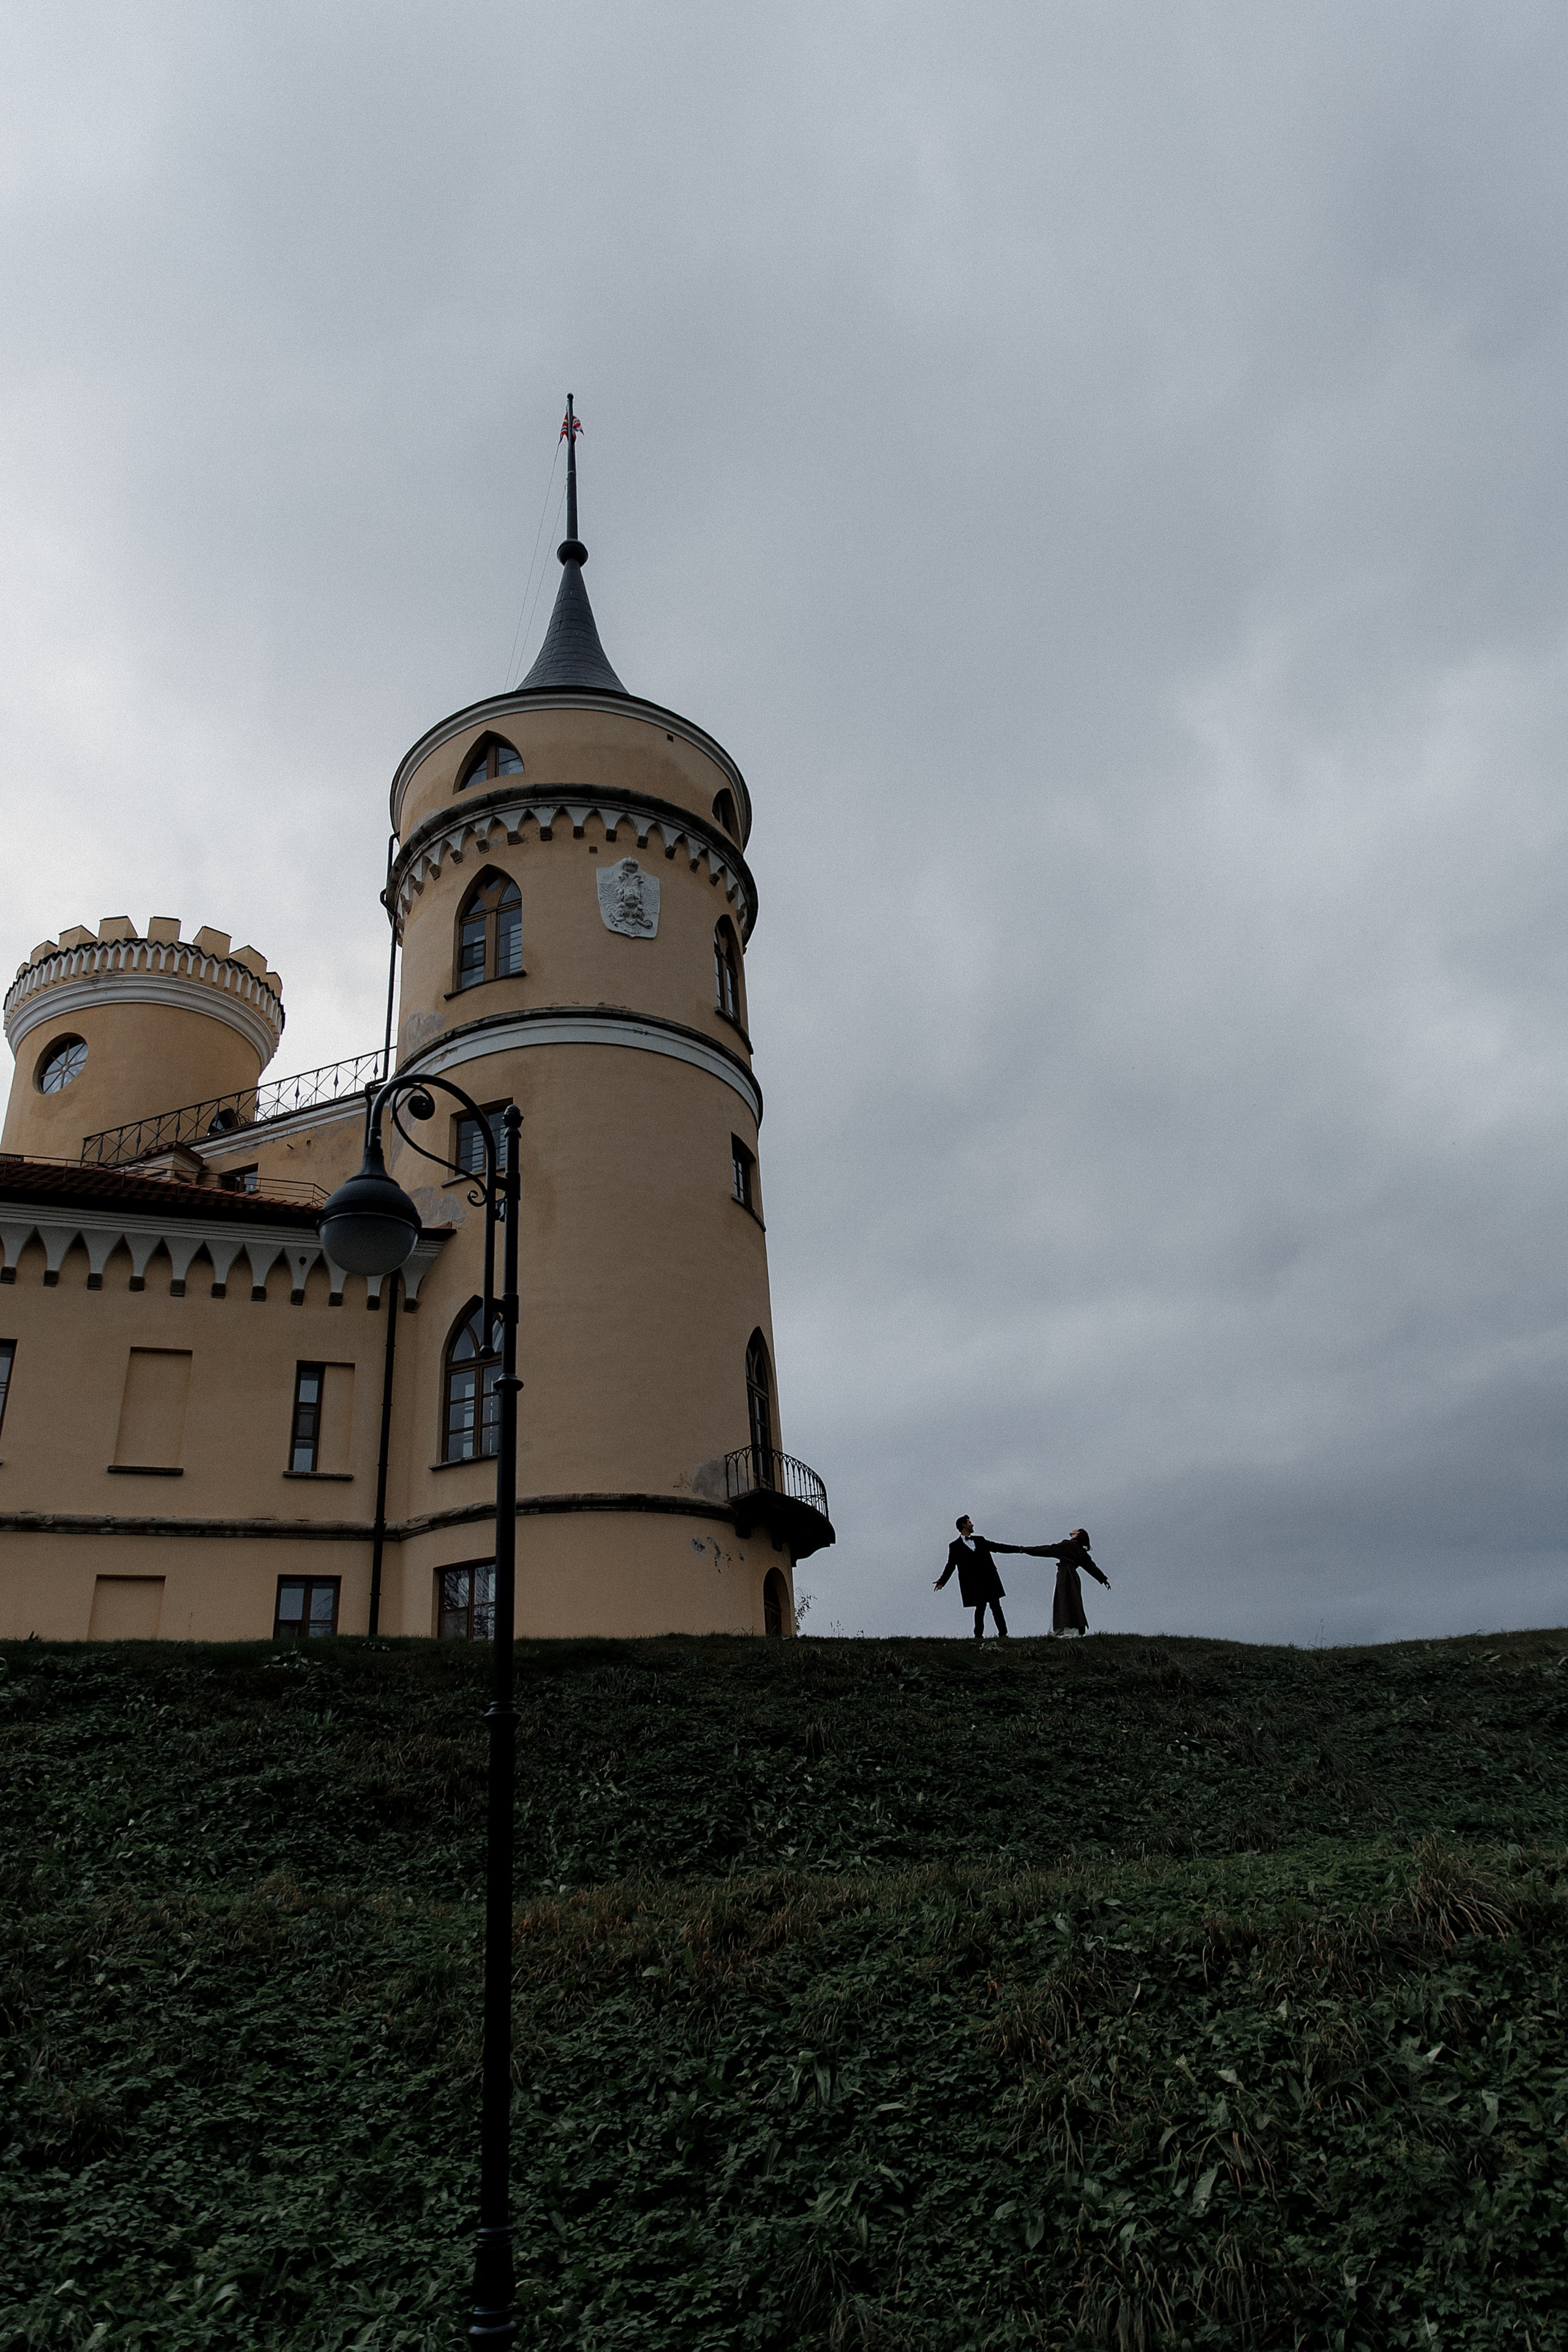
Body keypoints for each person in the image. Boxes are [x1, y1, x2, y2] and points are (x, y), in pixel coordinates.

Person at [933, 1515, 1025, 1639]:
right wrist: (942, 1581)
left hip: (989, 1578)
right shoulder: (955, 1546)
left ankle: (1003, 1634)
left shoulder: (981, 1540)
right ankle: (978, 1636)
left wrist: (1018, 1549)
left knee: (996, 1606)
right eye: (970, 1522)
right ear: (964, 1525)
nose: (973, 1525)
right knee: (980, 1607)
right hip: (974, 1582)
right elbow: (951, 1565)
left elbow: (998, 1547)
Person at [1018, 1527, 1110, 1635]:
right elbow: (1091, 1567)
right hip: (1074, 1576)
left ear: (1078, 1534)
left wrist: (1025, 1549)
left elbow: (1047, 1550)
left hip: (1065, 1574)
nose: (1073, 1529)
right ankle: (1069, 1628)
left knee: (1064, 1601)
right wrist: (1103, 1579)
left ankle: (1065, 1629)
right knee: (1073, 1601)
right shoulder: (1081, 1550)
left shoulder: (1067, 1545)